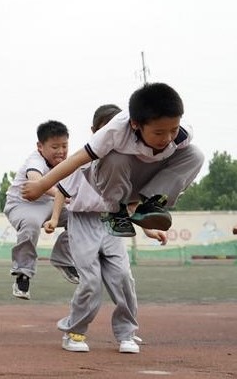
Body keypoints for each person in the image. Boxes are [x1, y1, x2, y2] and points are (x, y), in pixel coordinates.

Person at [47, 104, 168, 354]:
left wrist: (148, 230)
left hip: (113, 222)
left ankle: (126, 333)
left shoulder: (127, 164)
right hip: (83, 223)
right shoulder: (83, 161)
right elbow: (61, 190)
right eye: (105, 131)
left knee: (123, 277)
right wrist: (54, 219)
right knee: (90, 282)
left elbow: (132, 204)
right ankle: (75, 332)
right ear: (95, 131)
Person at [23, 83, 204, 237]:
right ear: (135, 124)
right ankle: (116, 212)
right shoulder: (116, 131)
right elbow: (77, 159)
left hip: (144, 182)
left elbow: (183, 163)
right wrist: (42, 185)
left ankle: (153, 202)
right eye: (158, 133)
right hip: (111, 182)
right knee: (115, 157)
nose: (167, 138)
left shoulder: (182, 135)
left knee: (195, 154)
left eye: (173, 129)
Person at [4, 120, 77, 300]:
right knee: (31, 224)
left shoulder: (68, 162)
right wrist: (64, 195)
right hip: (23, 204)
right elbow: (36, 181)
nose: (60, 151)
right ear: (40, 147)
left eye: (64, 146)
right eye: (54, 147)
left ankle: (63, 258)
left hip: (51, 203)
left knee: (81, 217)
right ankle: (23, 273)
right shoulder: (35, 160)